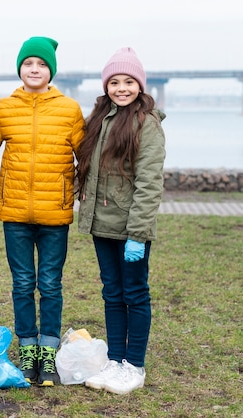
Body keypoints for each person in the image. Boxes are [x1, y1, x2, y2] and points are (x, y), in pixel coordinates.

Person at [0, 36, 84, 387]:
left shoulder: (69, 109)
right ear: (20, 69)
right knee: (22, 284)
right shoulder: (4, 107)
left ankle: (48, 352)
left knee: (50, 284)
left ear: (51, 71)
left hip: (54, 215)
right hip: (14, 213)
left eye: (41, 64)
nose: (34, 69)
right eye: (28, 63)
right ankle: (27, 349)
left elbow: (86, 156)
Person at [75, 47, 166, 395]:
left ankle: (134, 366)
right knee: (112, 293)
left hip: (131, 229)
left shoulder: (148, 125)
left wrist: (138, 235)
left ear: (140, 86)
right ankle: (115, 360)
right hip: (102, 225)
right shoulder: (100, 118)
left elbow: (148, 183)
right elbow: (90, 169)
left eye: (129, 81)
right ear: (106, 86)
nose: (122, 88)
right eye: (115, 82)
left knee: (135, 294)